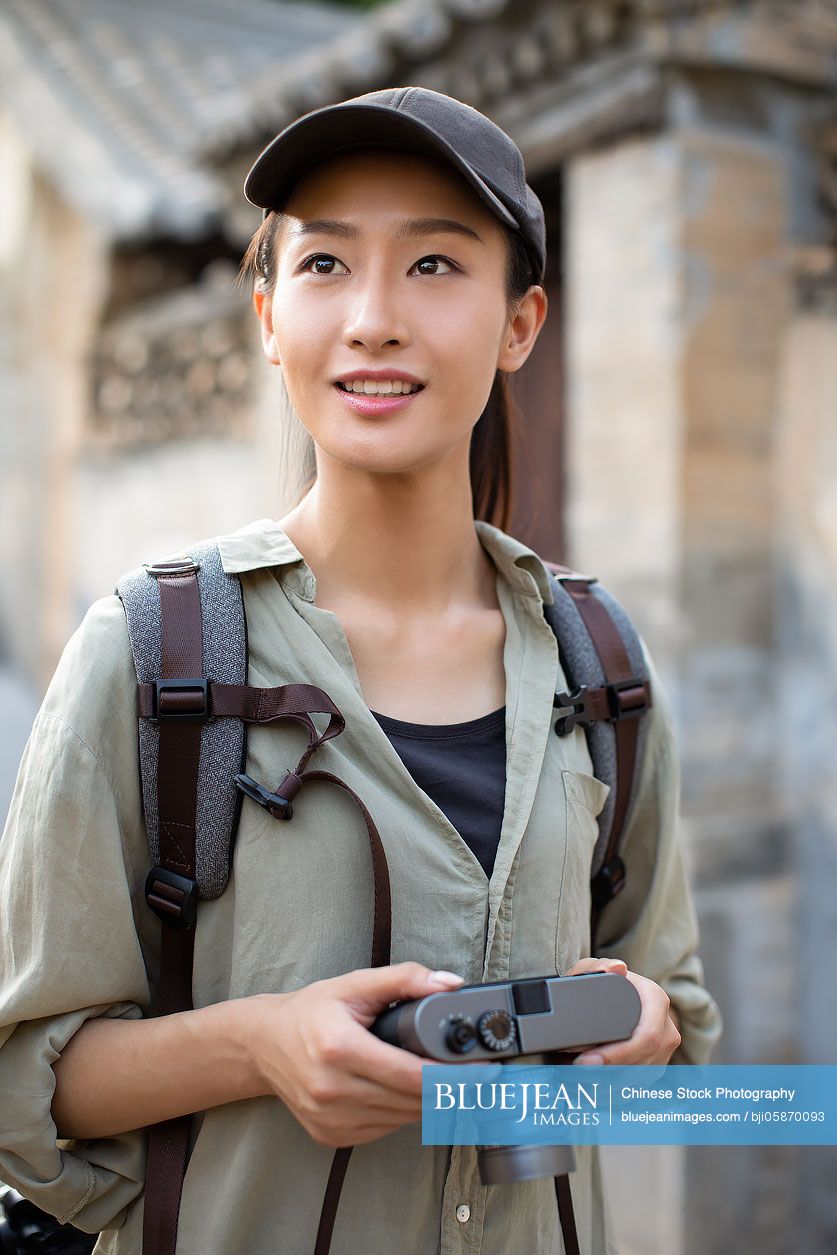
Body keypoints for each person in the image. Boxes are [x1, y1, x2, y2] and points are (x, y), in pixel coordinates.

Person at [0, 88, 722, 1254]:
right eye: (326, 264)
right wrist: (260, 1043)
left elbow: (677, 1010)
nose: (375, 318)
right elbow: (24, 1078)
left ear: (521, 322)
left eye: (436, 265)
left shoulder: (599, 663)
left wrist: (636, 1022)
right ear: (269, 314)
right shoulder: (151, 652)